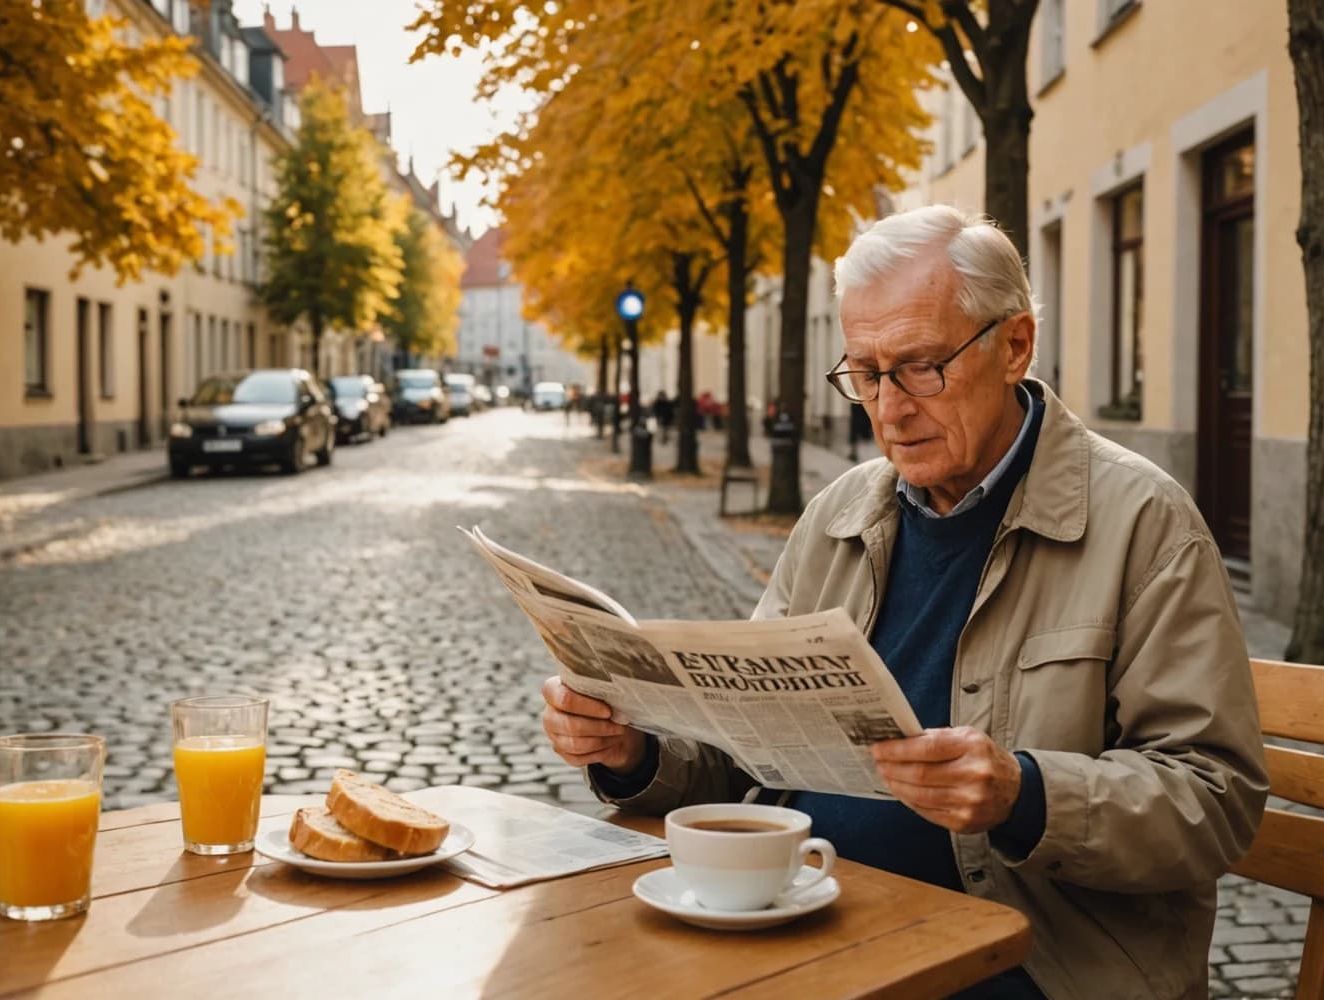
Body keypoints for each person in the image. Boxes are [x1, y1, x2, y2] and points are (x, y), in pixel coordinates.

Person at [540, 206, 1267, 1000]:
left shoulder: (1142, 521)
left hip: (1026, 957)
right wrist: (633, 752)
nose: (889, 407)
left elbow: (1214, 798)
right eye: (866, 372)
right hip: (806, 914)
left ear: (1014, 346)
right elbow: (739, 747)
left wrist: (1025, 795)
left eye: (921, 366)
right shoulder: (840, 512)